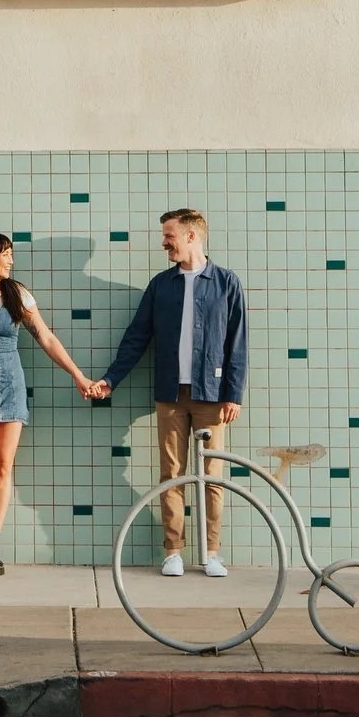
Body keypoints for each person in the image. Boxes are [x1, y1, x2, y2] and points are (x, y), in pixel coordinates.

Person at [0, 232, 108, 575]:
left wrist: (78, 375)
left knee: (2, 465)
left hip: (11, 386)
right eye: (6, 255)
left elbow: (45, 336)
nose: (11, 261)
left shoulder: (19, 294)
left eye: (11, 255)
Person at [98, 208, 248, 578]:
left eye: (169, 235)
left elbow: (237, 342)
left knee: (212, 474)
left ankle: (212, 552)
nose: (164, 242)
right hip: (170, 392)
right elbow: (137, 337)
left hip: (213, 394)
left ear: (191, 236)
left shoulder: (226, 282)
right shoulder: (162, 285)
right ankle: (174, 551)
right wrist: (111, 378)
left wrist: (234, 394)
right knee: (172, 473)